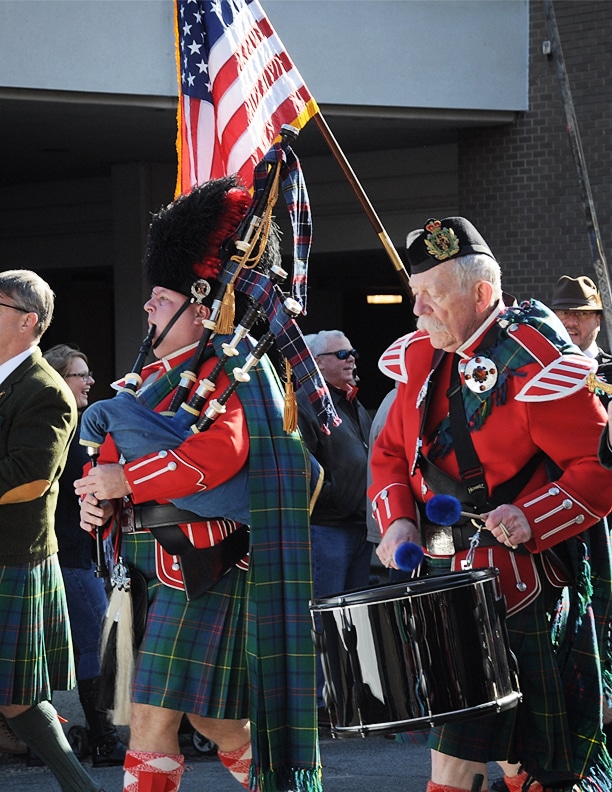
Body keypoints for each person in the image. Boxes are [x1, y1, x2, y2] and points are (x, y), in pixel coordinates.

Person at [74, 176, 321, 792]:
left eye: (162, 299)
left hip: (203, 565)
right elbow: (106, 459)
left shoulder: (232, 372)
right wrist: (95, 494)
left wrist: (124, 478)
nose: (148, 309)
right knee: (217, 722)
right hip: (148, 563)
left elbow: (219, 455)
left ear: (202, 306)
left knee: (153, 719)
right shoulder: (151, 379)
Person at [368, 217, 612, 792]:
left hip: (521, 583)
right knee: (496, 759)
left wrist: (531, 517)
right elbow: (388, 455)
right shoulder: (418, 360)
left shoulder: (536, 363)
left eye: (432, 295)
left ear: (482, 294)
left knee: (520, 764)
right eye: (415, 294)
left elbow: (597, 472)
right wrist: (398, 519)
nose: (417, 309)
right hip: (443, 576)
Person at [0, 269, 104, 792]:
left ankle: (82, 786)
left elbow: (30, 478)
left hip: (13, 556)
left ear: (27, 321)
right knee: (15, 694)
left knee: (17, 695)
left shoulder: (46, 389)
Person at [43, 344, 127, 767]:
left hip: (81, 556)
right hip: (70, 555)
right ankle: (104, 739)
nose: (90, 380)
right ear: (59, 378)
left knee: (85, 646)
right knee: (96, 647)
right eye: (80, 374)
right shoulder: (60, 425)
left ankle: (60, 743)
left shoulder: (78, 425)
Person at [297, 329, 373, 723]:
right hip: (325, 529)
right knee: (324, 620)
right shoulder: (305, 404)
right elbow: (302, 469)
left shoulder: (351, 404)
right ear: (318, 362)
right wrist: (337, 495)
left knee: (352, 620)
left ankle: (350, 699)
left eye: (352, 352)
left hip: (358, 527)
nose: (352, 359)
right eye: (342, 353)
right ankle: (321, 706)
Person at [551, 274, 612, 403]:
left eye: (582, 314)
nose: (571, 322)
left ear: (598, 321)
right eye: (564, 313)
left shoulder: (609, 370)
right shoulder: (543, 371)